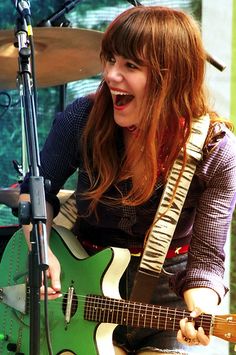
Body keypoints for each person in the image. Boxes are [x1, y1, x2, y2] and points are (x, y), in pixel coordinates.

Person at [20, 5, 236, 355]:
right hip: (80, 289)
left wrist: (201, 310)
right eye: (110, 60)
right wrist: (39, 247)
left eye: (130, 66)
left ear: (173, 76)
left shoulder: (215, 150)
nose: (110, 75)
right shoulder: (82, 118)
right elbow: (35, 191)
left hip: (165, 301)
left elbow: (207, 262)